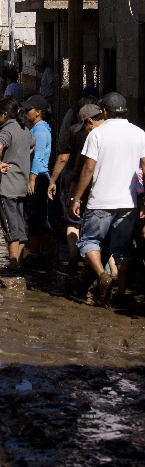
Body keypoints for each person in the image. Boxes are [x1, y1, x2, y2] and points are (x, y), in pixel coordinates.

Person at [70, 92, 145, 307]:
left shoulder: (97, 134)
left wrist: (76, 198)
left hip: (100, 201)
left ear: (104, 111)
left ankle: (102, 275)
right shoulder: (140, 134)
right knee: (122, 249)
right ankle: (120, 293)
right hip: (128, 203)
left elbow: (88, 168)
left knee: (88, 241)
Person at [47, 100, 103, 274]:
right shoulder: (107, 134)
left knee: (73, 220)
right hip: (101, 185)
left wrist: (53, 180)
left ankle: (73, 256)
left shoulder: (75, 132)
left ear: (86, 120)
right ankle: (106, 269)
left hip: (76, 181)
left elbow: (64, 158)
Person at [0, 97, 36, 272]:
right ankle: (17, 263)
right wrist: (22, 156)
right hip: (21, 184)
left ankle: (13, 265)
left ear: (4, 114)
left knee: (10, 227)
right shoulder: (25, 129)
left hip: (7, 186)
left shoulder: (7, 130)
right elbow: (33, 144)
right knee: (18, 224)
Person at [22, 95, 52, 266]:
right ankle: (44, 252)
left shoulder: (39, 131)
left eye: (29, 110)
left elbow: (38, 156)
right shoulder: (40, 128)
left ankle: (35, 254)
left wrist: (31, 178)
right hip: (41, 176)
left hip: (38, 177)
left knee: (34, 217)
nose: (26, 113)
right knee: (42, 216)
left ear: (38, 112)